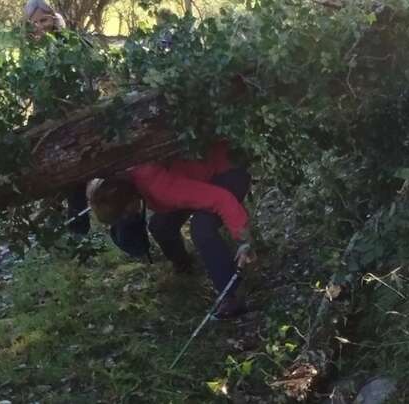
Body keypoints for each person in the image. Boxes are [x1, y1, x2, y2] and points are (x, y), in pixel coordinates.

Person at [88, 141, 256, 318]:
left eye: (125, 214)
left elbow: (222, 200)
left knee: (201, 228)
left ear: (128, 204)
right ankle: (184, 267)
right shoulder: (128, 177)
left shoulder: (159, 188)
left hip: (226, 172)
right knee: (160, 226)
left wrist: (244, 241)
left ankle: (231, 296)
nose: (128, 217)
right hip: (193, 181)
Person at [22, 0, 92, 235]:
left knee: (75, 176)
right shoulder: (29, 50)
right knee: (52, 171)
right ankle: (55, 224)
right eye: (35, 22)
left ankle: (79, 231)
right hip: (45, 119)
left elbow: (83, 73)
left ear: (54, 18)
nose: (41, 26)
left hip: (71, 116)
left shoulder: (67, 43)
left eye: (45, 20)